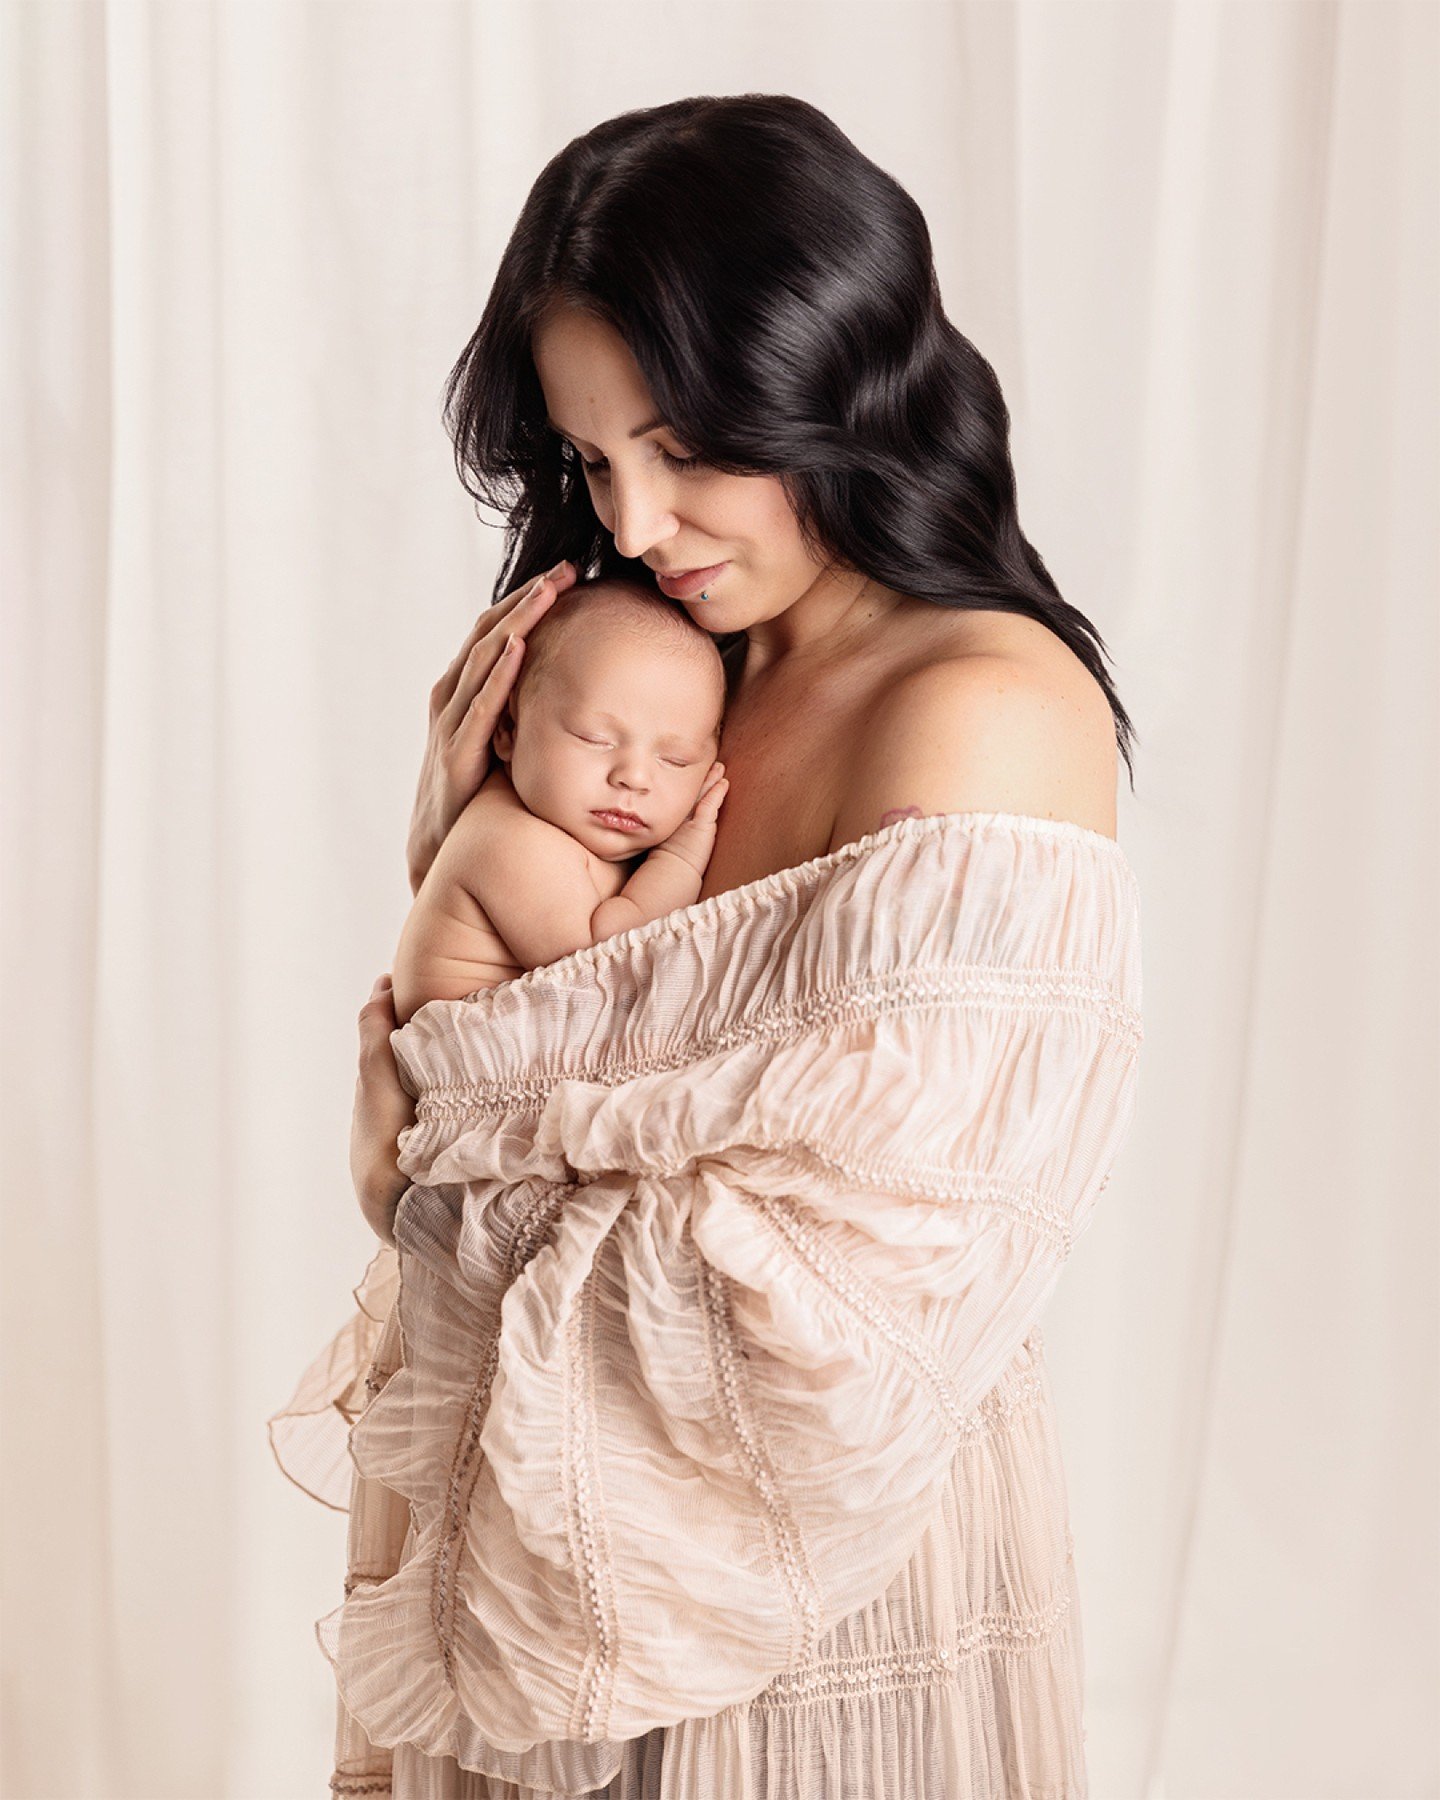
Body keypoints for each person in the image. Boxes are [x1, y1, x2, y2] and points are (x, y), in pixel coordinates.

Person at [269, 94, 1142, 1799]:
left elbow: (841, 1299)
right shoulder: (666, 673)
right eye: (597, 462)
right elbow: (529, 1029)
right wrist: (458, 855)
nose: (644, 520)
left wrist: (434, 1152)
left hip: (808, 1567)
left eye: (689, 446)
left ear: (838, 382)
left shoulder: (979, 712)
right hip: (551, 1535)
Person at [389, 576, 729, 1024]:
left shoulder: (567, 825)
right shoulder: (508, 840)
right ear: (509, 730)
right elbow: (609, 975)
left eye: (675, 759)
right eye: (595, 738)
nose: (634, 777)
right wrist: (680, 861)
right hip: (480, 1082)